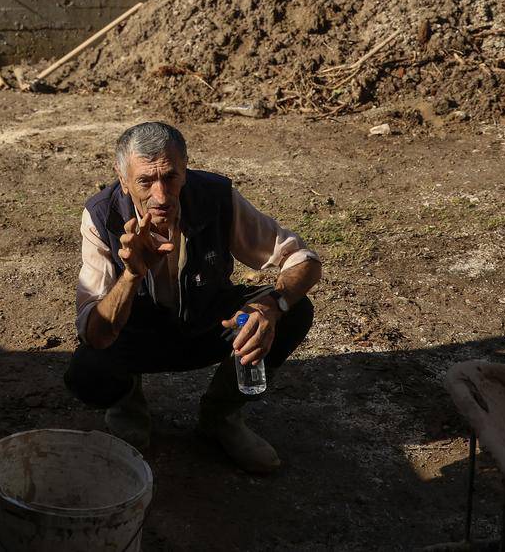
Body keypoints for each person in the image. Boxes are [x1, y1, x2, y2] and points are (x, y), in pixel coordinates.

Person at [65, 121, 319, 474]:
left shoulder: (215, 196)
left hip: (206, 322)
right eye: (145, 181)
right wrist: (132, 275)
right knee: (89, 370)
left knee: (294, 310)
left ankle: (221, 417)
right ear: (123, 180)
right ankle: (127, 405)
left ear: (185, 169)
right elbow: (94, 332)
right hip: (139, 335)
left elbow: (303, 261)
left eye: (170, 177)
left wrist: (269, 307)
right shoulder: (100, 215)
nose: (161, 195)